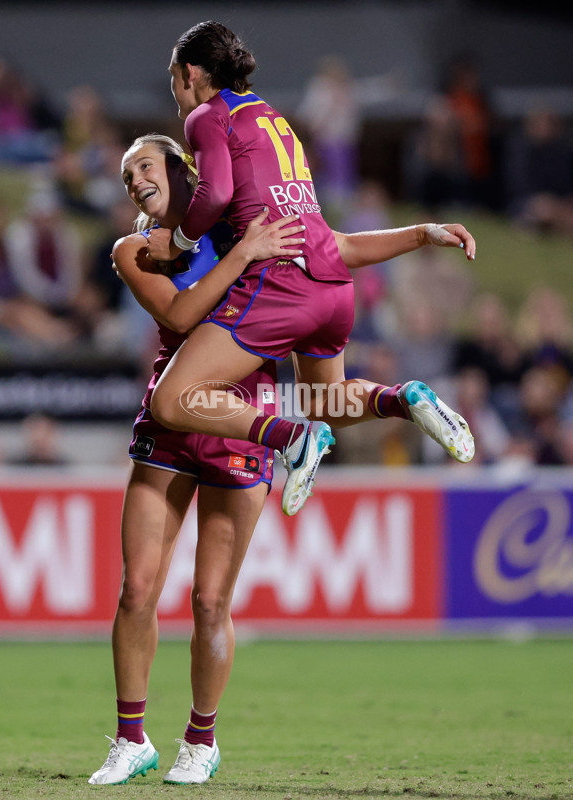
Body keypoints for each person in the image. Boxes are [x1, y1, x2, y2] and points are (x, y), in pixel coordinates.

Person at [89, 132, 478, 787]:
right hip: (176, 420)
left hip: (243, 420)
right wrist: (244, 253)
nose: (135, 183)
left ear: (183, 169)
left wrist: (421, 233)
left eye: (144, 167)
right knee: (136, 590)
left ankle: (200, 741)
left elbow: (338, 250)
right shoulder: (136, 250)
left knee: (211, 601)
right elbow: (183, 314)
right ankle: (131, 739)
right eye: (128, 178)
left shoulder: (243, 219)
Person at [144, 21, 476, 517]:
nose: (175, 92)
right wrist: (422, 232)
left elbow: (215, 193)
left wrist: (182, 241)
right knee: (328, 404)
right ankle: (405, 398)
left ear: (190, 72)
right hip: (334, 289)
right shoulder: (275, 121)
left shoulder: (207, 117)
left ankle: (291, 439)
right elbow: (333, 241)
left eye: (174, 78)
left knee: (170, 401)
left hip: (282, 287)